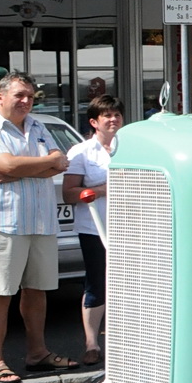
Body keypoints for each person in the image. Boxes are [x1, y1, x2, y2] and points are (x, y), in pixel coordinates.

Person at [0, 72, 76, 383]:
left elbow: (61, 161)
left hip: (41, 221)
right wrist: (41, 165)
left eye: (30, 95)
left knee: (37, 290)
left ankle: (37, 353)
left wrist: (22, 169)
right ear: (0, 97)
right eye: (19, 95)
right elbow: (6, 165)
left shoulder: (38, 125)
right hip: (5, 222)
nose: (26, 101)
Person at [62, 94, 123, 366]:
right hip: (95, 228)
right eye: (107, 115)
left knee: (131, 284)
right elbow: (69, 193)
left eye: (117, 115)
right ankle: (91, 344)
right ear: (94, 122)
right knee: (97, 283)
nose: (113, 119)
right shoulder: (81, 152)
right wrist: (100, 191)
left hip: (132, 226)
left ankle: (127, 341)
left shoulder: (134, 147)